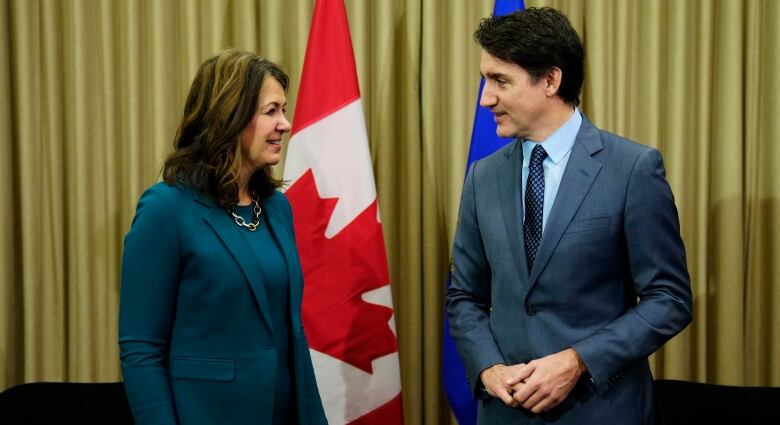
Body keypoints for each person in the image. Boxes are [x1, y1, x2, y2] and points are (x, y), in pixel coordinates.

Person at [446, 8, 693, 424]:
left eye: (500, 80)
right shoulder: (482, 177)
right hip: (504, 414)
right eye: (486, 80)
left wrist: (578, 360)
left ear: (550, 81)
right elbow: (464, 296)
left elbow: (669, 299)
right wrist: (488, 367)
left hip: (601, 410)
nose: (486, 97)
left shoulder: (633, 169)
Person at [119, 48, 327, 425]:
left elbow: (291, 337)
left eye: (283, 109)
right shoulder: (166, 209)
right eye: (271, 111)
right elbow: (141, 349)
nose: (286, 123)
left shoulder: (277, 208)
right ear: (229, 116)